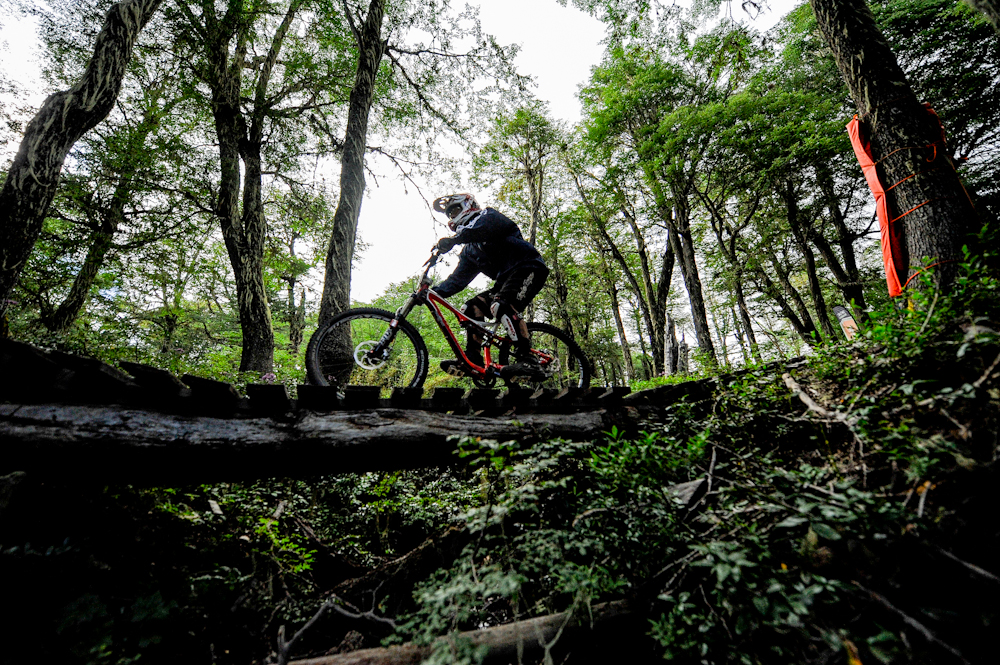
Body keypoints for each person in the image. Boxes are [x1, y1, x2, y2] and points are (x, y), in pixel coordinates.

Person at [430, 193, 549, 378]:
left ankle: (528, 360)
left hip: (529, 267)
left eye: (455, 211)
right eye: (450, 215)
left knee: (500, 305)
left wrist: (454, 240)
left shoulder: (488, 216)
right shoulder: (470, 250)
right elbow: (456, 281)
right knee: (471, 307)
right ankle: (473, 360)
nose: (453, 217)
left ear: (468, 205)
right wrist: (431, 293)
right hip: (505, 282)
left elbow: (481, 229)